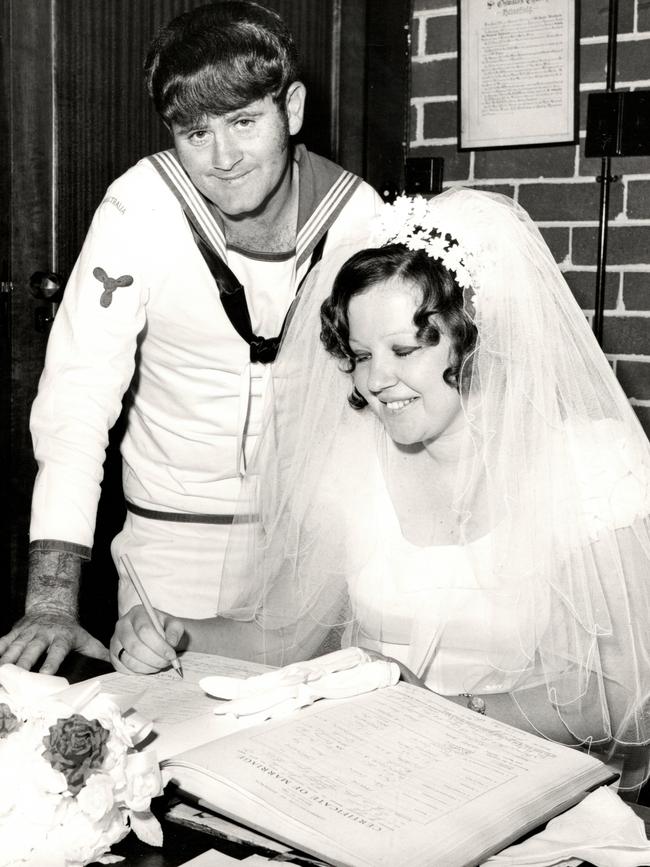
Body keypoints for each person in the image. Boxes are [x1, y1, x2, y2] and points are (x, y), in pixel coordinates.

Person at [111, 188, 650, 790]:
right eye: (361, 354)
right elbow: (286, 637)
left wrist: (433, 707)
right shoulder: (347, 465)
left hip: (529, 785)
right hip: (371, 775)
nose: (375, 380)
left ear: (474, 337)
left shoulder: (590, 466)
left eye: (403, 350)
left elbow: (620, 695)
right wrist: (178, 630)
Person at [0, 0, 382, 674]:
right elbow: (78, 397)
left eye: (243, 122)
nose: (223, 158)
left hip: (315, 552)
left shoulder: (358, 219)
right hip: (172, 548)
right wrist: (52, 597)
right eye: (196, 133)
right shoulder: (139, 207)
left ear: (291, 109)